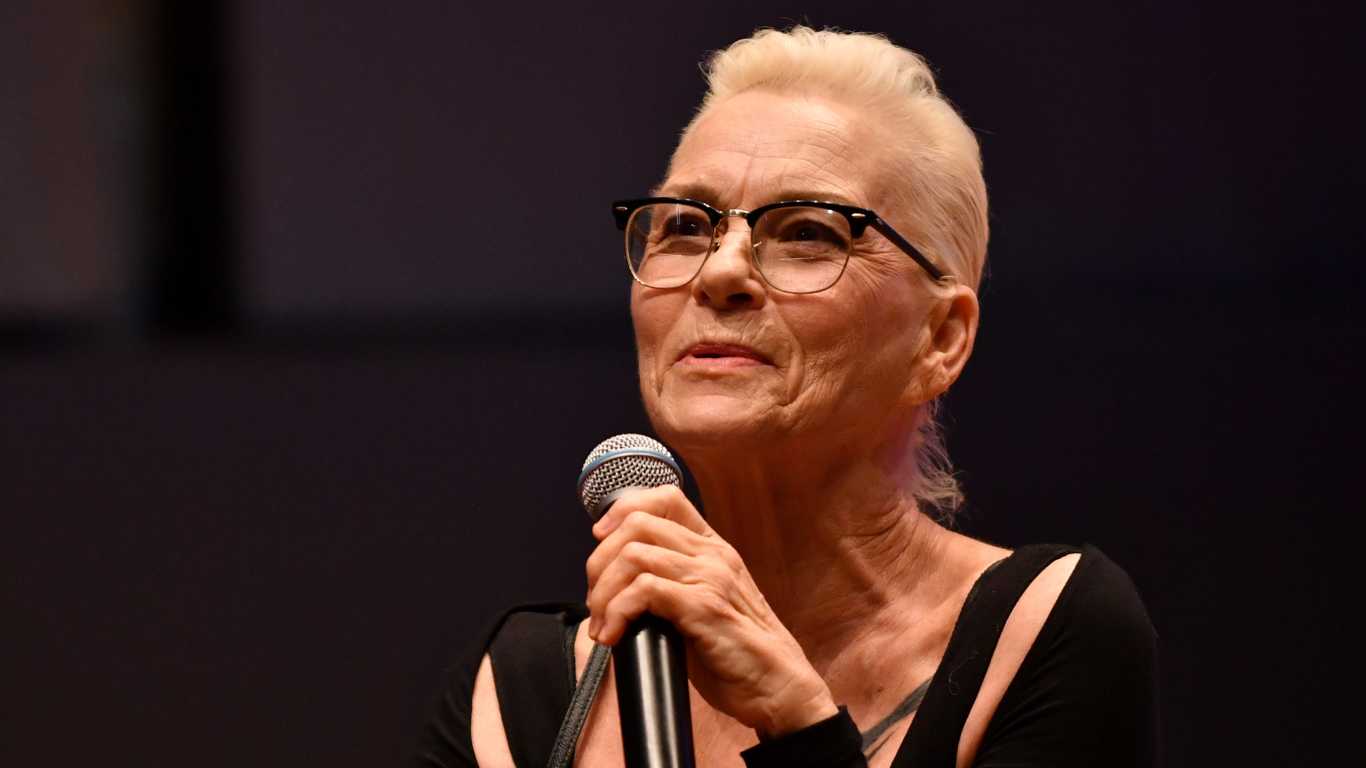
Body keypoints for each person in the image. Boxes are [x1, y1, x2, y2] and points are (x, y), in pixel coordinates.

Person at [413, 26, 1158, 768]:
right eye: (685, 225)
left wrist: (795, 716)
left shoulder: (1046, 633)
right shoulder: (514, 697)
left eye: (807, 232)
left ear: (940, 339)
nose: (719, 272)